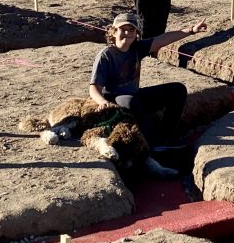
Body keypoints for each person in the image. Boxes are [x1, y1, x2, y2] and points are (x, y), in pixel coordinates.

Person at [89, 12, 210, 173]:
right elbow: (94, 87)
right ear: (114, 31)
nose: (127, 33)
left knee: (177, 90)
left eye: (131, 30)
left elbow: (163, 39)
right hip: (114, 100)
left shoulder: (137, 48)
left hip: (135, 95)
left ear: (136, 33)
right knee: (131, 102)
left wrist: (191, 30)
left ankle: (164, 139)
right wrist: (102, 101)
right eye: (123, 29)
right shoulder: (106, 55)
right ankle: (149, 147)